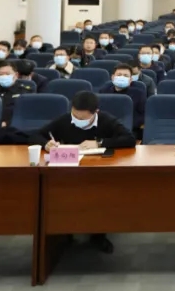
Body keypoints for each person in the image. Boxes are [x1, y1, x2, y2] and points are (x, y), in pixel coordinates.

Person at [31, 91, 135, 253]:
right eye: (75, 116)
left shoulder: (106, 120)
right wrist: (46, 144)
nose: (78, 120)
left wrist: (100, 143)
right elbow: (36, 135)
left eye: (82, 118)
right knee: (60, 193)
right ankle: (64, 232)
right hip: (70, 170)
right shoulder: (65, 120)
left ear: (95, 113)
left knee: (99, 195)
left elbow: (129, 139)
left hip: (99, 171)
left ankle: (98, 234)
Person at [0, 61, 34, 126]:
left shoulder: (26, 92)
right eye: (1, 74)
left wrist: (8, 123)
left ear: (16, 75)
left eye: (7, 74)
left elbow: (26, 114)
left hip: (15, 126)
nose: (4, 76)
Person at [98, 64, 146, 131]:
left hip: (129, 129)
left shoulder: (138, 94)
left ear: (130, 80)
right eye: (119, 75)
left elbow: (143, 115)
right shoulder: (104, 91)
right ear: (113, 77)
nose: (122, 77)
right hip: (106, 127)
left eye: (126, 76)